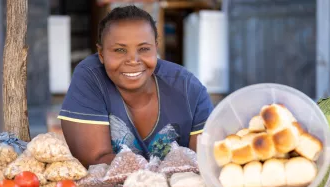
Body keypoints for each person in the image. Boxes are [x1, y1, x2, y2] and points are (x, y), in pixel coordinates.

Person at [58, 5, 213, 167]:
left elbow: (206, 162)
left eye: (144, 49)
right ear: (101, 54)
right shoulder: (91, 77)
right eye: (119, 50)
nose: (133, 60)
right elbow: (95, 162)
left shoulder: (188, 88)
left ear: (156, 47)